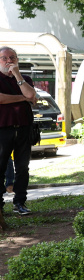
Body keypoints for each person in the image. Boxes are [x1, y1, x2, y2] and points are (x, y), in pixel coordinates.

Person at [0, 47, 37, 216]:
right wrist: (24, 98)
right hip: (2, 130)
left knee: (22, 168)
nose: (9, 61)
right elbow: (1, 99)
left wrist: (18, 76)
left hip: (23, 129)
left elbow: (31, 94)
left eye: (12, 57)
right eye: (4, 58)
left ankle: (20, 202)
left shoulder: (25, 78)